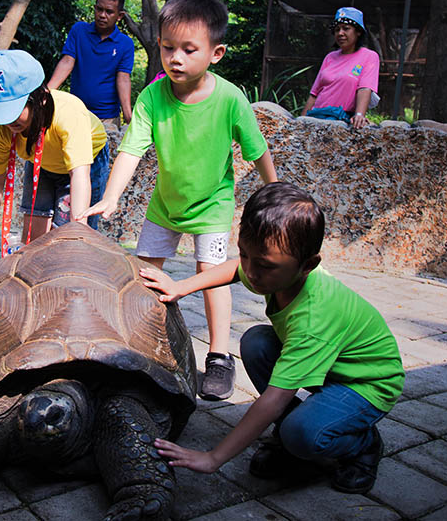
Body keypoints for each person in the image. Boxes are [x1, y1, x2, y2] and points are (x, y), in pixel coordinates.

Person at [146, 182, 404, 495]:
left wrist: (214, 458)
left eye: (264, 265)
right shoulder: (270, 270)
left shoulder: (313, 317)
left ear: (308, 266)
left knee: (301, 435)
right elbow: (234, 270)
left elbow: (274, 398)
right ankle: (301, 429)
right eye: (244, 254)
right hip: (333, 365)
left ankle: (361, 444)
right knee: (256, 342)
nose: (250, 272)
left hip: (366, 383)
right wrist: (182, 286)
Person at [81, 0, 277, 401]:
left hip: (213, 207)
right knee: (144, 274)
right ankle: (134, 341)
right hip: (164, 206)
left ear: (216, 53)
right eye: (168, 47)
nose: (176, 58)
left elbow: (256, 149)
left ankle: (219, 357)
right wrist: (112, 197)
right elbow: (132, 149)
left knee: (212, 275)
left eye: (189, 49)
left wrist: (273, 191)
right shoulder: (153, 96)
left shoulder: (229, 99)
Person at [0, 49, 109, 259]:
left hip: (84, 164)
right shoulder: (3, 127)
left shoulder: (68, 114)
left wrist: (77, 233)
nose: (6, 120)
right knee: (34, 238)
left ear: (40, 98)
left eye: (11, 109)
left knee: (68, 238)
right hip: (41, 161)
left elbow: (79, 176)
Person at [47, 0, 136, 129]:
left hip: (107, 118)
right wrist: (47, 92)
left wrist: (128, 117)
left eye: (109, 12)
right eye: (99, 9)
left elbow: (123, 78)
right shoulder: (79, 31)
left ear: (119, 16)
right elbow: (67, 61)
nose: (102, 15)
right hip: (76, 113)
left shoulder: (125, 44)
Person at [300, 6, 380, 129]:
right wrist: (301, 121)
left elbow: (365, 88)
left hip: (340, 119)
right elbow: (314, 93)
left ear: (358, 32)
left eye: (346, 29)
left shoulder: (369, 56)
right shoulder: (330, 57)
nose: (340, 33)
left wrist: (359, 115)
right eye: (337, 30)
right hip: (316, 116)